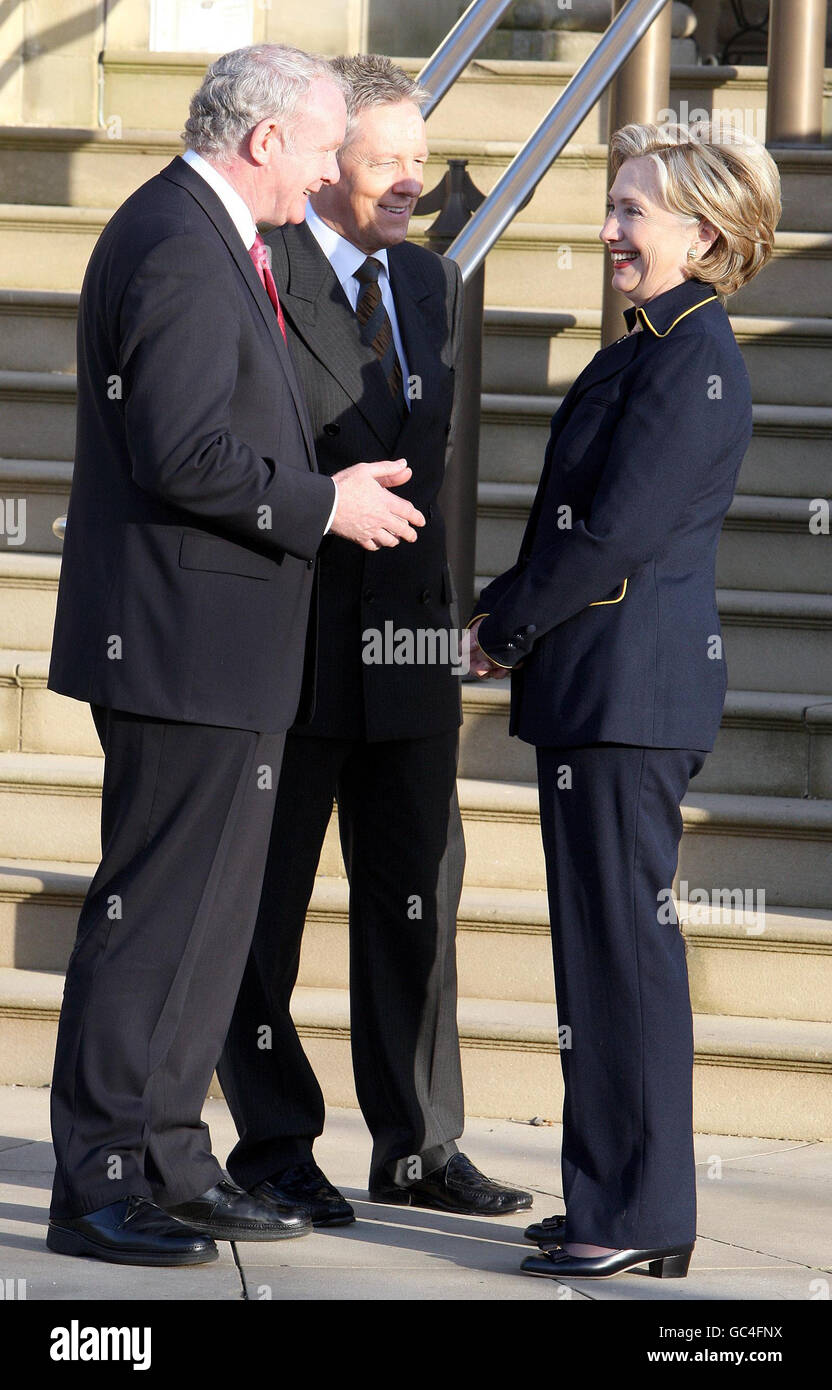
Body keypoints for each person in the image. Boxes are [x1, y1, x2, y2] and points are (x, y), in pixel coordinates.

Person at [45, 43, 426, 1268]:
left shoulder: (210, 235)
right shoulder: (173, 240)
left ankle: (172, 1159)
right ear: (263, 139)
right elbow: (183, 453)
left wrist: (327, 484)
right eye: (324, 147)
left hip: (221, 649)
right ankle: (102, 1176)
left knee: (207, 924)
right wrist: (325, 506)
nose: (330, 174)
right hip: (179, 646)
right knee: (153, 913)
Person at [464, 120, 781, 1280]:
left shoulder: (691, 354)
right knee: (598, 955)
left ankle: (638, 1208)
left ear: (701, 232)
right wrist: (499, 607)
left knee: (621, 955)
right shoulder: (650, 344)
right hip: (599, 691)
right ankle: (618, 1195)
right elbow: (574, 523)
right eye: (612, 206)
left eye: (631, 211)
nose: (608, 230)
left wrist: (507, 625)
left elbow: (616, 533)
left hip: (627, 694)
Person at [218, 55, 531, 1223]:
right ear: (327, 159)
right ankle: (275, 1144)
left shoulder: (432, 282)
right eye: (384, 159)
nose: (412, 180)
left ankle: (417, 1142)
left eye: (418, 155)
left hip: (405, 655)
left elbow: (431, 477)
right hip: (288, 651)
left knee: (416, 901)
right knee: (264, 916)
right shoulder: (261, 269)